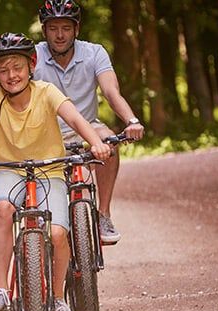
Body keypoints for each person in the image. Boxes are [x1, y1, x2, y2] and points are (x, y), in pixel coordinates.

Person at [0, 32, 111, 311]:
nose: (11, 75)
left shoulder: (46, 92)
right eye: (3, 69)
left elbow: (76, 120)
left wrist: (95, 142)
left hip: (49, 169)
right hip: (10, 170)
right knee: (3, 209)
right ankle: (0, 289)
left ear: (31, 65)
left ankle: (58, 299)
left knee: (58, 233)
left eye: (17, 67)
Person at [34, 0, 145, 244]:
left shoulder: (94, 53)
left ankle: (103, 214)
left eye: (66, 28)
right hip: (45, 134)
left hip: (87, 129)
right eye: (53, 28)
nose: (60, 35)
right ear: (44, 31)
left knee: (109, 143)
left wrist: (131, 120)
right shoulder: (33, 57)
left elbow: (111, 92)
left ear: (77, 29)